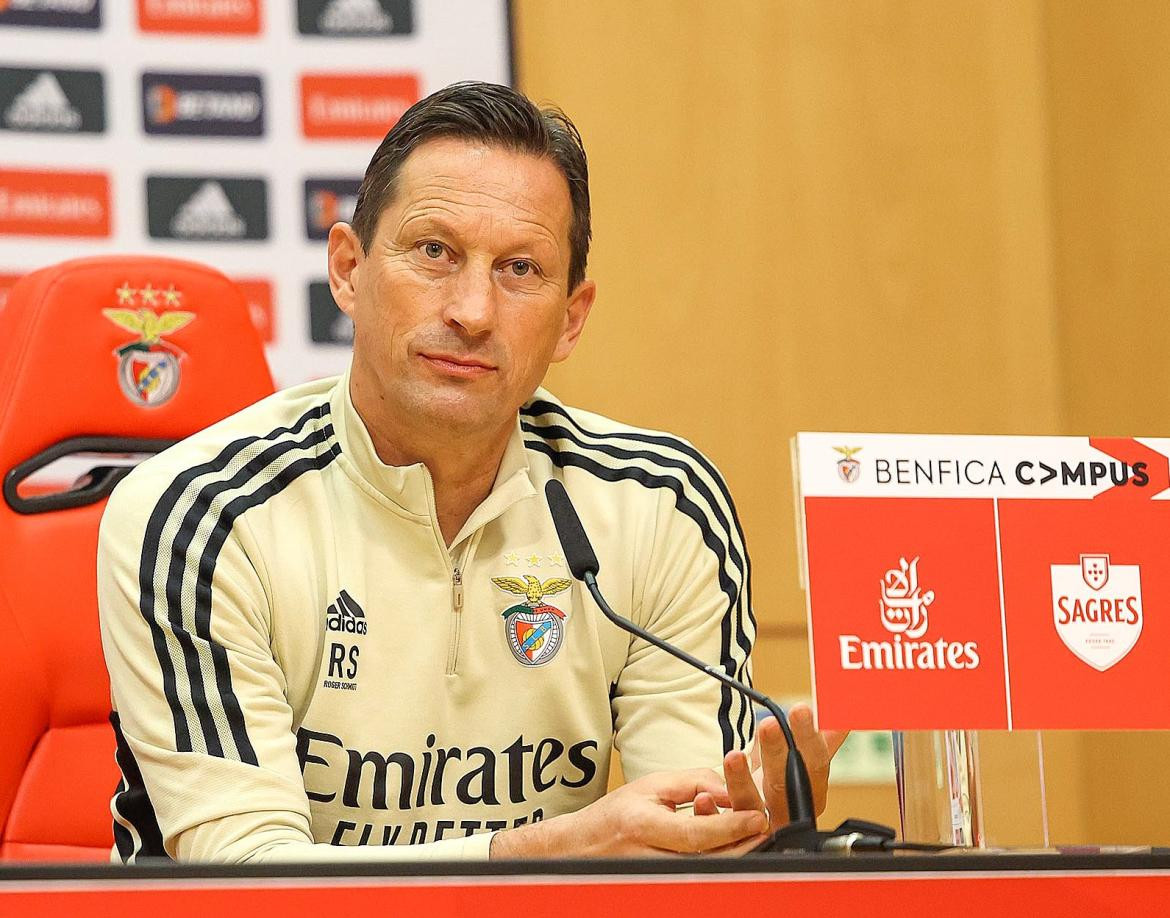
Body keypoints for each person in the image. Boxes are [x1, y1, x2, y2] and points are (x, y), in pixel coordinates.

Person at [97, 82, 845, 864]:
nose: (474, 311)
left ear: (572, 318)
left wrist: (750, 830)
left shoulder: (659, 507)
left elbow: (691, 850)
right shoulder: (201, 516)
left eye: (520, 269)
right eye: (434, 253)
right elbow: (248, 881)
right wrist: (541, 852)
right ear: (349, 271)